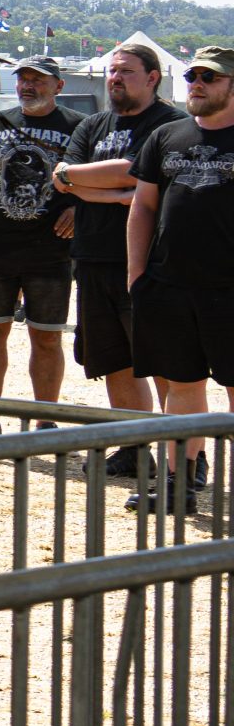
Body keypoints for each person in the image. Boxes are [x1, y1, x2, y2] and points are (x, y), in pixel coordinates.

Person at [51, 43, 186, 478]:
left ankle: (182, 457)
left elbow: (134, 170)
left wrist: (92, 183)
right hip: (93, 258)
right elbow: (61, 177)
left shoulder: (170, 124)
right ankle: (133, 448)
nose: (115, 78)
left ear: (152, 77)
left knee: (161, 360)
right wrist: (114, 193)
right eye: (112, 71)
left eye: (126, 71)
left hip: (148, 261)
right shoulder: (92, 124)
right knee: (114, 360)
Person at [125, 45, 234, 514]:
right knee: (181, 387)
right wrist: (136, 274)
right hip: (168, 286)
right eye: (193, 76)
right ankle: (178, 485)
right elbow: (143, 206)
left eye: (210, 77)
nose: (198, 84)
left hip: (229, 291)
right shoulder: (166, 136)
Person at [0, 54, 82, 435]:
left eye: (38, 79)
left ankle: (45, 420)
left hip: (51, 252)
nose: (28, 85)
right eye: (23, 78)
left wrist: (79, 209)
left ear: (59, 86)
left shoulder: (79, 128)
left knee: (46, 339)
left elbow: (92, 181)